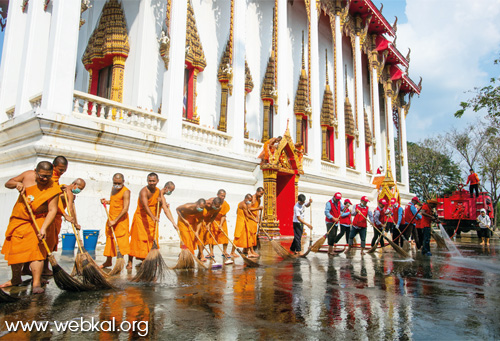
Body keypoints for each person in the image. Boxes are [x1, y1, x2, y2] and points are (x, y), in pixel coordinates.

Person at [1, 161, 62, 294]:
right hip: (20, 219)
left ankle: (36, 283)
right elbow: (8, 183)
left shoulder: (53, 188)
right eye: (41, 176)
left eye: (48, 176)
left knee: (37, 252)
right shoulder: (27, 176)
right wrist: (17, 184)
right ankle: (15, 279)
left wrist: (44, 228)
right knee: (16, 250)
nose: (44, 179)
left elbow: (52, 210)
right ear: (35, 171)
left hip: (38, 220)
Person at [128, 173, 161, 268]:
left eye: (153, 181)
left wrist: (162, 203)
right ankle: (130, 262)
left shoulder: (158, 191)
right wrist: (153, 217)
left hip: (151, 220)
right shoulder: (143, 191)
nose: (151, 183)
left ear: (157, 181)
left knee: (151, 240)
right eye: (150, 181)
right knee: (136, 240)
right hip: (141, 218)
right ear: (147, 181)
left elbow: (160, 204)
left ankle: (147, 259)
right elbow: (145, 206)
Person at [100, 173, 131, 269]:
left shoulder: (126, 192)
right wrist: (106, 202)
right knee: (110, 238)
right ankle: (108, 261)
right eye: (115, 183)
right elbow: (115, 201)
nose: (116, 185)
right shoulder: (113, 189)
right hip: (111, 218)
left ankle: (119, 261)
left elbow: (125, 208)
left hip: (121, 220)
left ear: (123, 182)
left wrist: (116, 221)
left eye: (119, 183)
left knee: (120, 240)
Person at [232, 194, 260, 258]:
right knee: (237, 237)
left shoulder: (243, 204)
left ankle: (250, 251)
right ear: (246, 199)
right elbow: (247, 215)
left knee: (248, 236)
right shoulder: (243, 204)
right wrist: (254, 219)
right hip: (241, 222)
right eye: (249, 200)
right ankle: (232, 252)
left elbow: (237, 211)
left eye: (250, 201)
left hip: (244, 221)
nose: (250, 202)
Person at [212, 189, 231, 258]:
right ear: (217, 195)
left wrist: (220, 225)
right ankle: (211, 252)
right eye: (221, 196)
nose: (223, 197)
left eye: (224, 196)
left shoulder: (225, 204)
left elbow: (223, 215)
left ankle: (224, 251)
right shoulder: (213, 201)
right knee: (212, 236)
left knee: (225, 235)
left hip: (222, 221)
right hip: (213, 220)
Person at [247, 187, 264, 253]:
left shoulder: (259, 200)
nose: (261, 195)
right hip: (249, 217)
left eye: (262, 194)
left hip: (254, 219)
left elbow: (257, 209)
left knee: (254, 233)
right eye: (260, 193)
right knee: (250, 234)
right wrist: (258, 209)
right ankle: (250, 250)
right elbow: (248, 209)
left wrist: (258, 218)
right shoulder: (251, 198)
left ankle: (250, 249)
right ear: (257, 191)